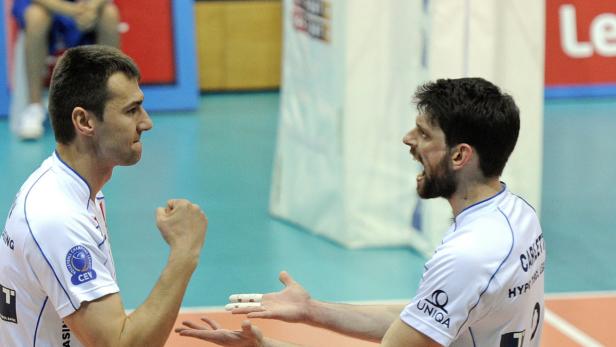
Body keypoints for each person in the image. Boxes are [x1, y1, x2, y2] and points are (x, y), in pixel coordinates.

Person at [175, 78, 546, 346]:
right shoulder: (516, 215)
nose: (408, 139)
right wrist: (311, 310)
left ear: (460, 155)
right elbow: (416, 324)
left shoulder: (469, 255)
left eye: (423, 133)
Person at [0, 45, 207, 346]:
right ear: (84, 122)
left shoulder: (73, 189)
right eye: (131, 110)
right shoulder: (58, 217)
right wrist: (184, 252)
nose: (146, 122)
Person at [12, 0, 120, 140]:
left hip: (84, 6)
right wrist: (73, 11)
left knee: (109, 14)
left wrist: (92, 7)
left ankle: (106, 106)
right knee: (35, 17)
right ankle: (34, 108)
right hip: (46, 5)